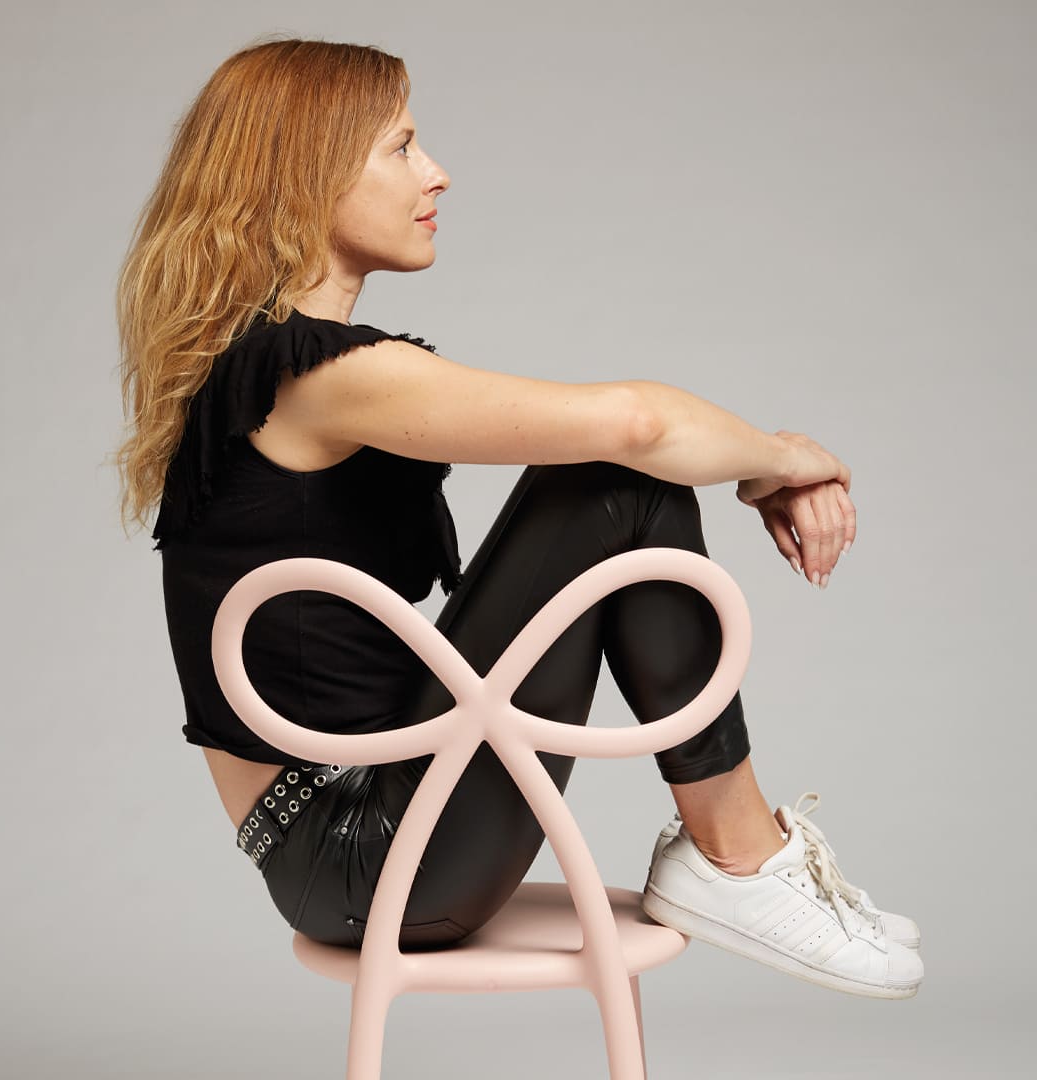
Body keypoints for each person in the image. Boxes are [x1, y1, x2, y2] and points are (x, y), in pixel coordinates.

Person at [114, 36, 922, 1000]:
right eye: (402, 148)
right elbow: (639, 423)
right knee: (619, 481)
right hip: (369, 855)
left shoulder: (271, 365)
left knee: (620, 476)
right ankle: (737, 857)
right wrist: (784, 460)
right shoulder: (311, 376)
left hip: (382, 814)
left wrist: (756, 463)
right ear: (308, 176)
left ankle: (734, 855)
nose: (437, 173)